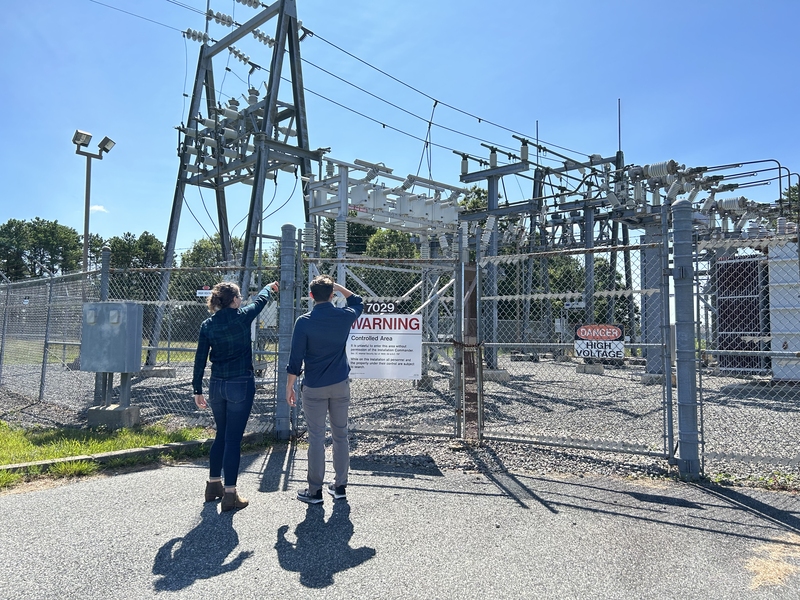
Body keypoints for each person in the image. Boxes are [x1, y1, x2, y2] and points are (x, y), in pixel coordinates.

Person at [193, 279, 278, 512]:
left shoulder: (207, 325)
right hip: (240, 383)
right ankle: (230, 494)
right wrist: (269, 288)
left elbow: (200, 358)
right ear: (234, 300)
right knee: (233, 439)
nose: (241, 300)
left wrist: (197, 389)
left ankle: (213, 485)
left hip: (217, 385)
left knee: (221, 434)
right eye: (239, 297)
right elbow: (261, 301)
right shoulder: (242, 316)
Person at [286, 274, 363, 504]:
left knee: (316, 438)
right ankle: (340, 486)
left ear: (311, 297)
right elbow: (358, 302)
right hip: (340, 384)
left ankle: (315, 490)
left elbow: (295, 359)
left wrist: (289, 386)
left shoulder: (304, 322)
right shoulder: (343, 316)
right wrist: (338, 287)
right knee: (341, 435)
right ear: (332, 295)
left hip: (314, 386)